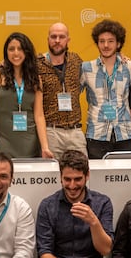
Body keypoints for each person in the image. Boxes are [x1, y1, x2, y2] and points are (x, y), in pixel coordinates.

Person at [0, 32, 53, 158]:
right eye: (11, 49)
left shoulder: (35, 78)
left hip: (30, 142)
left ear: (27, 52)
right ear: (6, 52)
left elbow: (39, 115)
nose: (16, 53)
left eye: (20, 48)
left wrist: (45, 147)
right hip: (3, 142)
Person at [36, 150, 113, 257]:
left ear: (87, 176)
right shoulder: (47, 206)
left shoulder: (103, 203)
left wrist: (94, 222)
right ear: (60, 177)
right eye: (67, 179)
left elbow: (106, 250)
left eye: (77, 179)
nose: (72, 186)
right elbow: (44, 251)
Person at [81, 19, 131, 159]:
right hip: (96, 135)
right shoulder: (86, 68)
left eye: (111, 41)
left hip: (123, 135)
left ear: (118, 43)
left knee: (124, 179)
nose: (106, 45)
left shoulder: (130, 67)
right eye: (102, 41)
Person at [37, 22, 88, 159]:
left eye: (61, 37)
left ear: (68, 40)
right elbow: (15, 65)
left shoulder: (76, 60)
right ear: (48, 39)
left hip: (75, 131)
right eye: (53, 37)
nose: (57, 41)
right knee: (52, 177)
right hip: (51, 132)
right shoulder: (38, 64)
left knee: (81, 175)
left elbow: (101, 66)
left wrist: (122, 58)